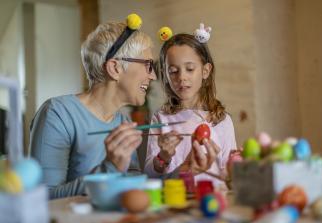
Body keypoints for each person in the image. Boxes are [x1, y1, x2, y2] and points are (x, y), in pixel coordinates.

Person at [29, 16, 217, 199]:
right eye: (148, 65)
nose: (152, 76)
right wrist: (110, 168)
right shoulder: (58, 113)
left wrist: (183, 171)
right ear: (115, 68)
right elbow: (42, 198)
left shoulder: (123, 122)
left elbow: (136, 189)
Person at [144, 26, 237, 189]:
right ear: (165, 75)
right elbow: (150, 175)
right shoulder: (161, 118)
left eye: (190, 69)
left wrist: (236, 166)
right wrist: (163, 156)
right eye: (173, 71)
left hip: (210, 201)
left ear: (206, 71)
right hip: (174, 200)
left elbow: (228, 174)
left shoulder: (221, 121)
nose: (181, 77)